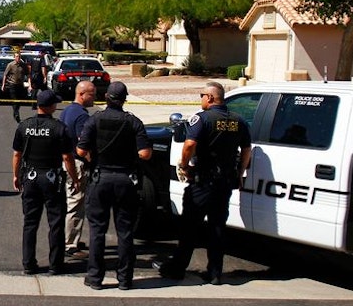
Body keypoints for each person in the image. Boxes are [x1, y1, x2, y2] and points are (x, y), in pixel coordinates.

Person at [153, 81, 251, 285]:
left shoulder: (202, 118)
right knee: (217, 227)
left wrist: (184, 164)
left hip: (203, 181)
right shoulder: (238, 120)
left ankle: (177, 269)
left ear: (211, 98)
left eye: (202, 95)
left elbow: (190, 144)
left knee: (189, 226)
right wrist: (240, 172)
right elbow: (246, 149)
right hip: (225, 182)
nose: (201, 99)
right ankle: (215, 273)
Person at [77, 82, 152, 291]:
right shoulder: (133, 122)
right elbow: (145, 153)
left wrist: (94, 157)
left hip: (100, 178)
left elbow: (81, 151)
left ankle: (95, 277)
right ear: (124, 100)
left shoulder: (95, 120)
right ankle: (125, 279)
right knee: (125, 232)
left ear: (106, 98)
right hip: (125, 179)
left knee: (97, 231)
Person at [12, 89, 79, 275]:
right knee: (55, 223)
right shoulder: (59, 128)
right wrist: (74, 178)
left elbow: (17, 154)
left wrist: (16, 176)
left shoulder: (24, 126)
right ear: (51, 106)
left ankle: (28, 263)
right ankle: (56, 264)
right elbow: (67, 157)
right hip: (52, 178)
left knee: (30, 222)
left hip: (30, 176)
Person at [58, 80, 96, 260]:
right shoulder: (81, 116)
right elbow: (83, 145)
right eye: (91, 94)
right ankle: (70, 245)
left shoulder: (66, 111)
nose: (94, 98)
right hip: (77, 164)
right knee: (76, 203)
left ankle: (69, 238)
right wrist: (92, 162)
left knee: (69, 202)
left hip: (65, 161)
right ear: (81, 94)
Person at [1, 51, 28, 123]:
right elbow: (5, 75)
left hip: (20, 85)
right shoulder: (10, 65)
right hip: (12, 84)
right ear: (14, 57)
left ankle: (15, 111)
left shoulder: (23, 65)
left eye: (19, 56)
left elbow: (28, 75)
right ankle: (17, 114)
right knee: (14, 100)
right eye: (16, 56)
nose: (18, 58)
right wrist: (3, 85)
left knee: (19, 101)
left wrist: (30, 84)